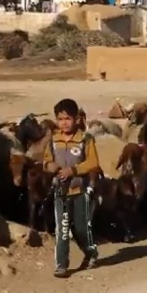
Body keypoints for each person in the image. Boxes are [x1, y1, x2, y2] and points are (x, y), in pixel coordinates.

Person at [43, 98, 100, 278]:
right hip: (61, 192)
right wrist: (49, 166)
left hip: (80, 191)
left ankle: (91, 253)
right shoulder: (54, 140)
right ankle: (61, 264)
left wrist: (73, 170)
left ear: (76, 119)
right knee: (63, 228)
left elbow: (93, 162)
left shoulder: (85, 139)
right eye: (60, 119)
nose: (64, 123)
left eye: (67, 118)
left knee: (81, 229)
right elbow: (46, 161)